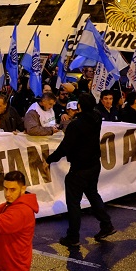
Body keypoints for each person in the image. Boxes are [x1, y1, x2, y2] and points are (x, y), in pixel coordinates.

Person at [44, 92, 115, 246]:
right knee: (92, 194)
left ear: (79, 106)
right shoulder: (97, 119)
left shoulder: (76, 125)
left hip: (79, 168)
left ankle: (73, 236)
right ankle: (106, 224)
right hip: (94, 165)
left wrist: (49, 160)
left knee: (73, 203)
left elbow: (65, 147)